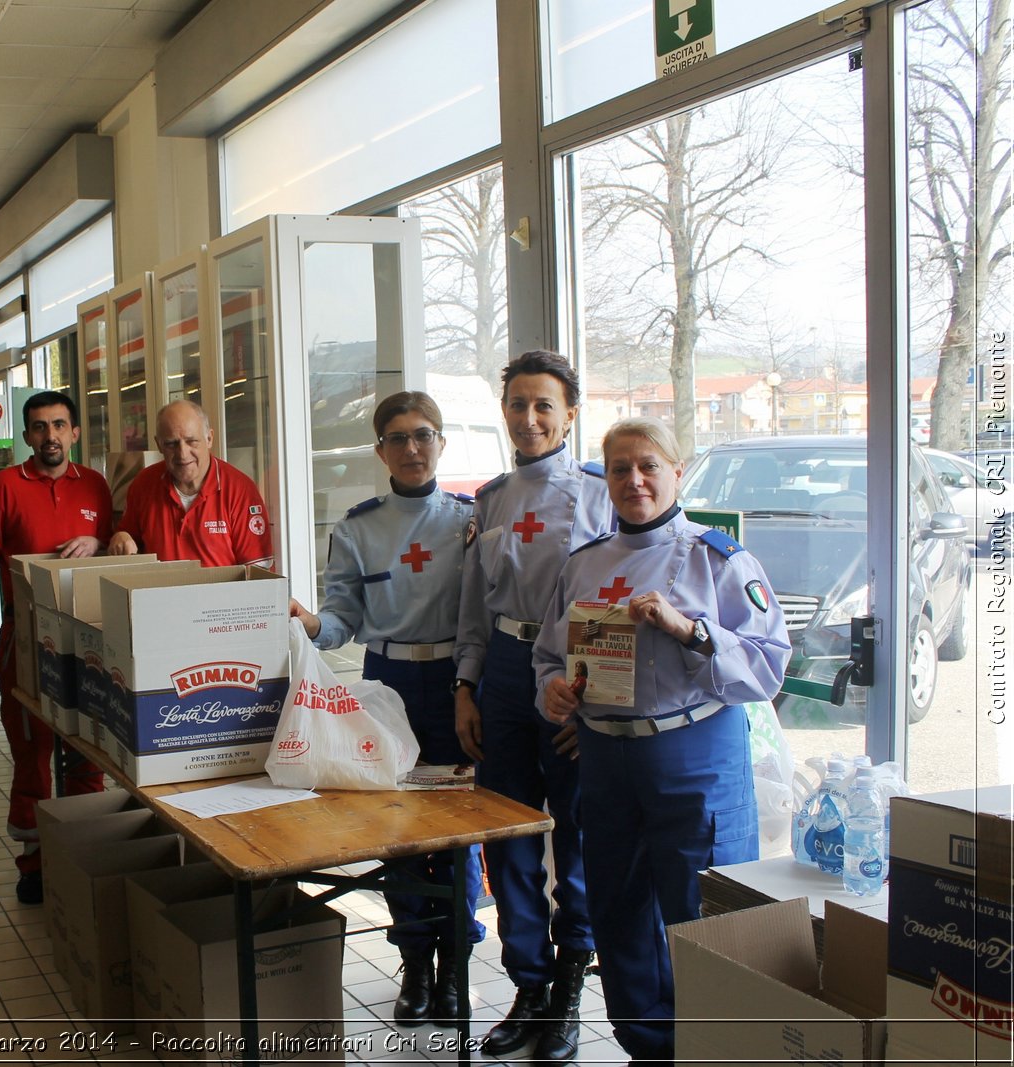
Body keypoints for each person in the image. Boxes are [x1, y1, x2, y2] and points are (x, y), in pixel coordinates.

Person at [533, 416, 790, 1065]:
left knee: (705, 910)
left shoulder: (718, 557)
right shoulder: (584, 565)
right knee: (618, 909)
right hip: (607, 759)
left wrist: (691, 629)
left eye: (648, 464)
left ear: (678, 470)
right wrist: (556, 690)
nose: (634, 479)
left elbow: (767, 665)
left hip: (694, 753)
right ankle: (647, 1044)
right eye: (619, 468)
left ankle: (716, 1050)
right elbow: (546, 657)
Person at [289, 392, 482, 1028]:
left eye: (423, 435)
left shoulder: (469, 521)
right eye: (396, 438)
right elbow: (343, 618)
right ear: (380, 452)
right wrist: (314, 625)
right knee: (396, 829)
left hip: (457, 680)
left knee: (456, 832)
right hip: (388, 680)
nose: (411, 448)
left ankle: (454, 966)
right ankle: (415, 966)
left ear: (442, 443)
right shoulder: (357, 528)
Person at [452, 350, 615, 1062]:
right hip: (507, 672)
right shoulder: (489, 498)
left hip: (574, 676)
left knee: (573, 829)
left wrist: (598, 700)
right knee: (508, 831)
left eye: (544, 405)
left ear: (571, 412)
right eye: (517, 403)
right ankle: (528, 983)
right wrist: (466, 684)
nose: (529, 418)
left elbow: (613, 597)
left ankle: (572, 981)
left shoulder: (602, 492)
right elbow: (473, 603)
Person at [0, 391, 111, 905]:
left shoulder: (96, 486)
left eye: (59, 425)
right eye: (40, 426)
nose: (50, 435)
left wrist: (98, 542)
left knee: (87, 755)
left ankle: (83, 859)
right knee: (32, 755)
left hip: (90, 643)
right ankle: (34, 865)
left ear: (74, 433)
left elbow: (120, 545)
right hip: (21, 645)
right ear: (27, 436)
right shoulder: (3, 488)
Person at [106, 400, 272, 566]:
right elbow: (128, 538)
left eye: (191, 441)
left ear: (209, 439)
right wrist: (121, 537)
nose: (183, 454)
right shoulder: (144, 485)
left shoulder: (240, 491)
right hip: (160, 591)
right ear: (159, 445)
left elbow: (258, 574)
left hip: (221, 592)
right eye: (171, 444)